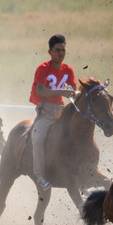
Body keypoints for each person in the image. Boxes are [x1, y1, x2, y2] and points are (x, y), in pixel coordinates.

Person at [29, 34, 76, 191]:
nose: (61, 54)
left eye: (63, 50)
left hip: (62, 111)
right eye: (57, 50)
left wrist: (73, 92)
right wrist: (62, 90)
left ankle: (80, 172)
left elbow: (73, 90)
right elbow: (40, 90)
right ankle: (40, 175)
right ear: (50, 52)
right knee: (37, 137)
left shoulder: (68, 70)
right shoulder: (43, 69)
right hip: (46, 112)